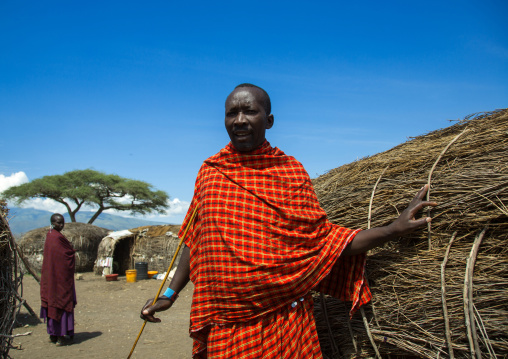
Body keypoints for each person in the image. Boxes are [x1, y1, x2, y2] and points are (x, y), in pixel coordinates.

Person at [141, 84, 437, 358]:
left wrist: (392, 230)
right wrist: (170, 293)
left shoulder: (289, 172)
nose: (240, 120)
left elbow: (324, 242)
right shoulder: (211, 173)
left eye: (250, 111)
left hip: (285, 318)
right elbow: (196, 241)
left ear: (269, 121)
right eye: (232, 113)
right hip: (225, 322)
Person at [40, 213, 77, 346]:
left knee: (53, 302)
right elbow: (63, 256)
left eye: (62, 222)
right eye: (58, 223)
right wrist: (71, 253)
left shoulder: (52, 236)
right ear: (52, 222)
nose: (61, 225)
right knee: (60, 304)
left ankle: (53, 335)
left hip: (53, 278)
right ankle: (59, 335)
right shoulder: (55, 238)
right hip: (59, 280)